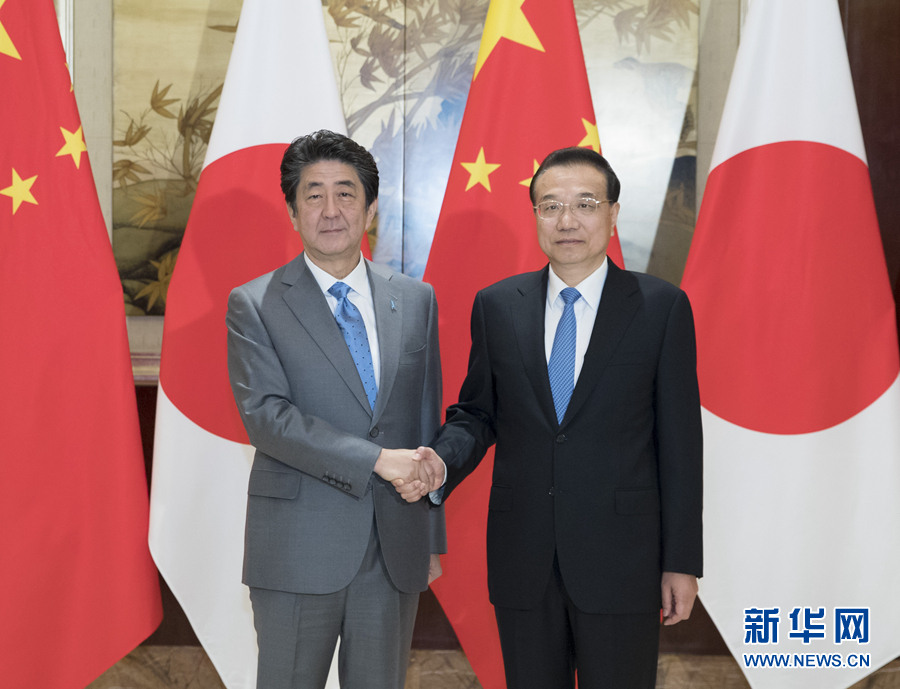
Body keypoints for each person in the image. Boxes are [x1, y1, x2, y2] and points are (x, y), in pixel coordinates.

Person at [402, 147, 703, 689]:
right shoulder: (498, 306)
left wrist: (681, 561)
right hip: (525, 558)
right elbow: (476, 413)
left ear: (612, 214)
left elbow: (681, 445)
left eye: (585, 204)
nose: (567, 221)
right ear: (535, 216)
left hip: (623, 559)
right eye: (550, 206)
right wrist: (438, 463)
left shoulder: (661, 308)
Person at [226, 129, 445, 689]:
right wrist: (376, 460)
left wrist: (431, 536)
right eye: (313, 194)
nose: (330, 210)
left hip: (395, 546)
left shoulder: (416, 299)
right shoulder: (255, 303)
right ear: (293, 212)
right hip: (298, 543)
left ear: (370, 208)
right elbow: (268, 418)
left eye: (346, 194)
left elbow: (426, 426)